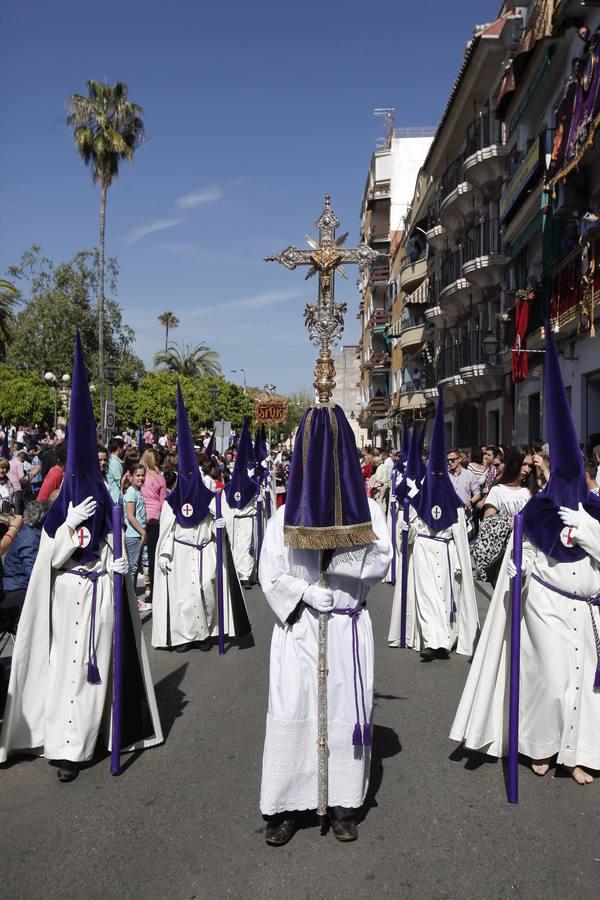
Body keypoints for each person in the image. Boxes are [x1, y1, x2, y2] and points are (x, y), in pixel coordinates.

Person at [0, 333, 163, 781]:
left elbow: (114, 549)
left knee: (93, 674)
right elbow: (48, 562)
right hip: (66, 596)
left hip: (97, 596)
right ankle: (61, 744)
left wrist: (119, 567)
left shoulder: (107, 502)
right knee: (63, 672)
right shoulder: (58, 509)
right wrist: (68, 528)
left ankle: (87, 741)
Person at [451, 328, 600, 784]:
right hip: (548, 605)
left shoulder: (595, 508)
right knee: (551, 678)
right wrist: (519, 567)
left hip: (590, 610)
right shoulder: (536, 510)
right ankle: (539, 745)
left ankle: (578, 754)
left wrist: (588, 530)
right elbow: (528, 550)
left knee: (586, 687)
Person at [259, 404, 392, 845]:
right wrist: (302, 593)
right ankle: (287, 807)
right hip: (299, 630)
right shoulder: (283, 515)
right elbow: (269, 572)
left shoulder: (368, 509)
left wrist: (341, 556)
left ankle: (342, 804)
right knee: (293, 709)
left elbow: (383, 560)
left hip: (345, 629)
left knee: (343, 711)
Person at [152, 386, 251, 652]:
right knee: (184, 598)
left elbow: (222, 516)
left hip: (205, 550)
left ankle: (208, 632)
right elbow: (166, 532)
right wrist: (164, 554)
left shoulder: (208, 496)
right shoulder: (171, 503)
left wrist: (221, 525)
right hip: (181, 553)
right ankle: (186, 637)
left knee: (207, 591)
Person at [392, 389, 479, 661]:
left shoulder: (452, 501)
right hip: (424, 551)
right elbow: (410, 531)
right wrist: (405, 532)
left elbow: (463, 532)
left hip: (445, 551)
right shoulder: (420, 499)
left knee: (446, 598)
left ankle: (446, 638)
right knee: (427, 596)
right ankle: (433, 641)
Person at [1, 500, 48, 628]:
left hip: (15, 585)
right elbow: (32, 572)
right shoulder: (30, 537)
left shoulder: (28, 533)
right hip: (17, 589)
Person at [223, 419, 258, 588]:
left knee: (243, 546)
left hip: (243, 518)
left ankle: (243, 574)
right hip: (239, 518)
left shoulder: (232, 485)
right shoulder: (252, 485)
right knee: (241, 545)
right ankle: (241, 574)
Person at [140, 448, 166, 605]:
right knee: (152, 555)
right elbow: (163, 501)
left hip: (141, 517)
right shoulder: (159, 479)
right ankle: (155, 590)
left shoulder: (139, 476)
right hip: (156, 519)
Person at [123, 461, 148, 610]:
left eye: (143, 475)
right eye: (138, 475)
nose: (141, 478)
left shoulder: (137, 491)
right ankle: (131, 601)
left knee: (135, 566)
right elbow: (131, 516)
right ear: (131, 477)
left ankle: (132, 599)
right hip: (134, 535)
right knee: (133, 568)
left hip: (137, 534)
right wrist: (142, 531)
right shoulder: (131, 492)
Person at [107, 436, 125, 503]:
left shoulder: (111, 460)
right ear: (118, 448)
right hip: (116, 498)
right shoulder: (115, 463)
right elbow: (120, 482)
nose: (123, 450)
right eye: (122, 447)